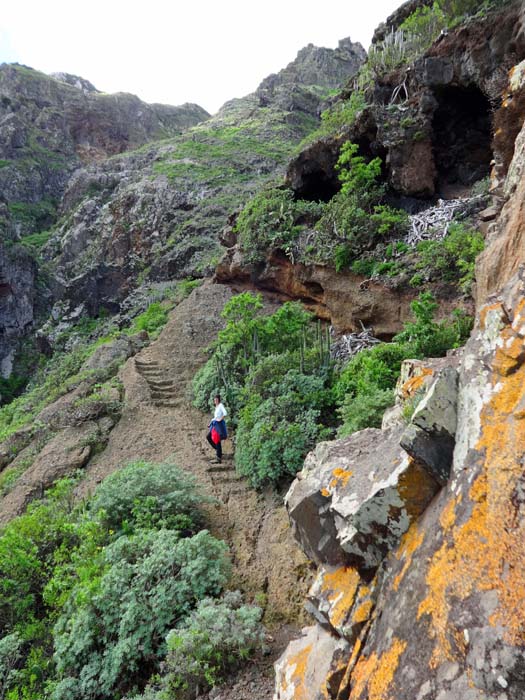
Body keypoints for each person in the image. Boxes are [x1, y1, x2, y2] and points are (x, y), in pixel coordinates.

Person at [206, 394, 227, 463]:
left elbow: (225, 413)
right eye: (214, 400)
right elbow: (215, 417)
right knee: (209, 437)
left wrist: (220, 419)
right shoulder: (217, 407)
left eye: (216, 400)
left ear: (219, 400)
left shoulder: (220, 405)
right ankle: (219, 451)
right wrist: (210, 423)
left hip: (219, 425)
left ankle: (218, 458)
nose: (215, 401)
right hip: (215, 424)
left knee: (217, 439)